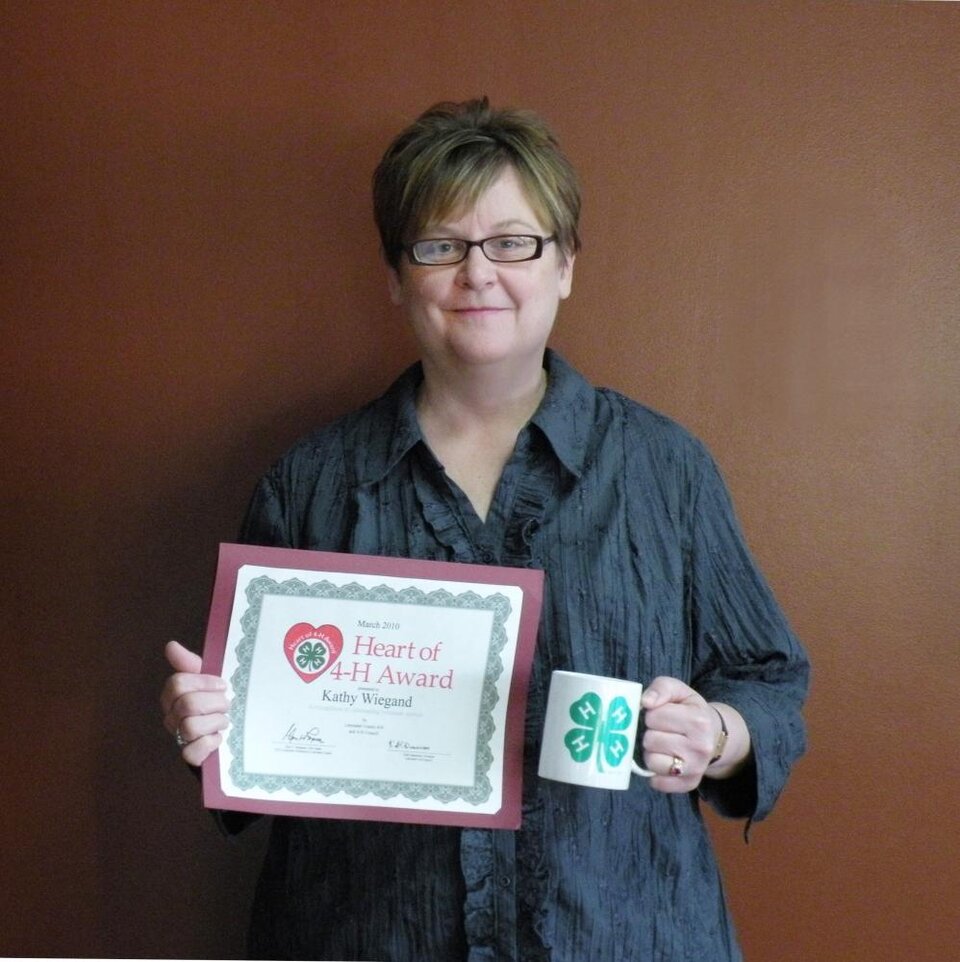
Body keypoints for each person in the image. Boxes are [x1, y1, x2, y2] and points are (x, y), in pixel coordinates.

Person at [161, 97, 809, 961]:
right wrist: (209, 729)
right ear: (396, 275)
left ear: (566, 263)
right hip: (366, 939)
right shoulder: (310, 483)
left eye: (514, 241)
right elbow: (253, 768)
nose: (478, 273)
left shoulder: (666, 470)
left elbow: (770, 679)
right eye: (440, 246)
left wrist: (720, 735)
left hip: (624, 935)